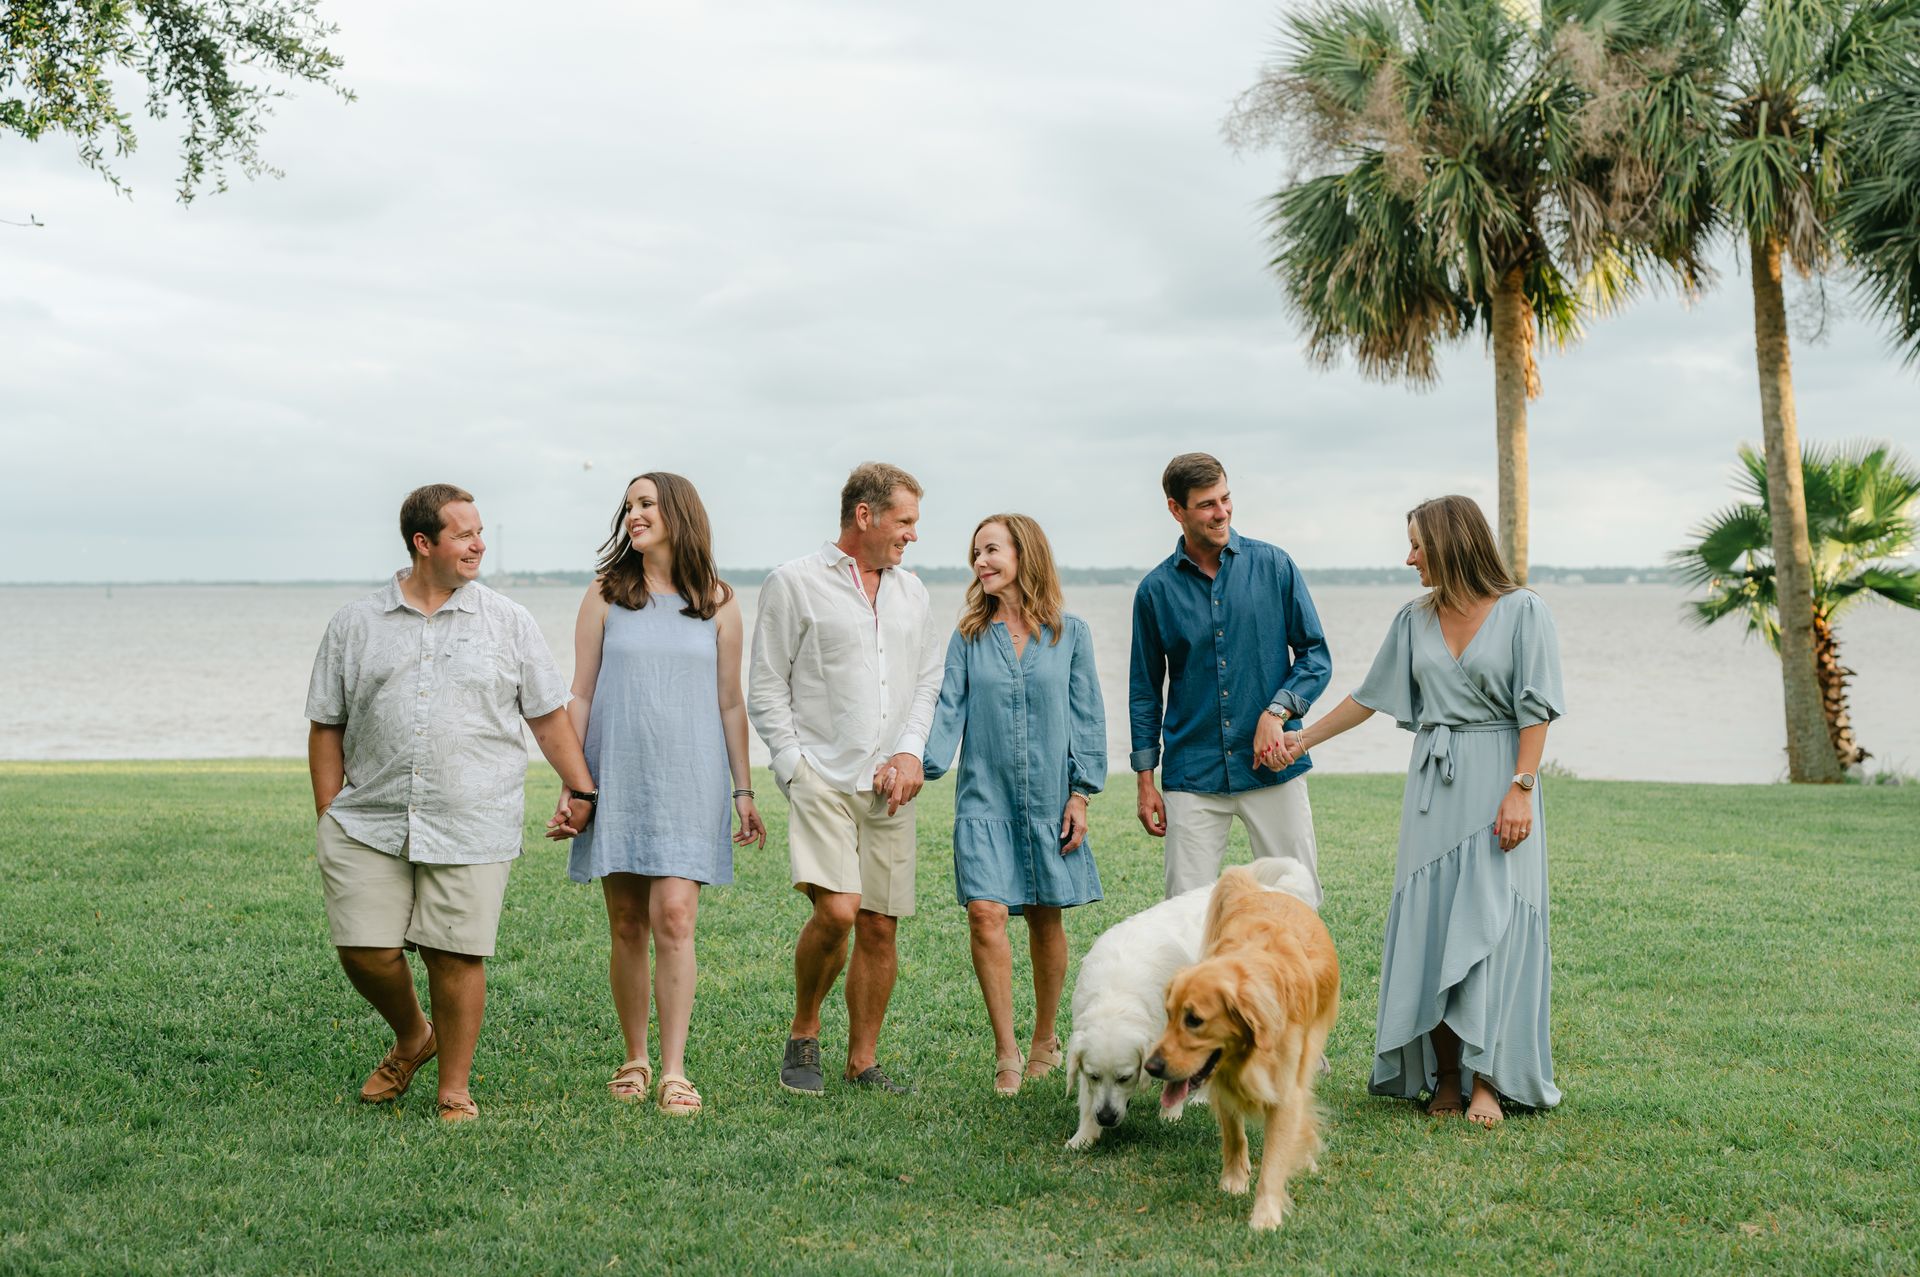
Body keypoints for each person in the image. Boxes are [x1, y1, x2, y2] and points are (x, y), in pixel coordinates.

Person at [305, 483, 597, 1123]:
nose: (479, 544)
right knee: (365, 950)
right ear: (423, 543)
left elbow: (547, 718)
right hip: (368, 819)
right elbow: (326, 725)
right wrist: (329, 813)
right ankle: (415, 1036)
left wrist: (580, 788)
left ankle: (453, 1088)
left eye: (480, 531)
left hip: (474, 815)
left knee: (455, 953)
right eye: (464, 534)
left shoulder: (509, 621)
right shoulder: (355, 625)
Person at [1269, 495, 1564, 1127]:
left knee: (1494, 926)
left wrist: (1522, 787)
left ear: (1451, 544)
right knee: (1431, 926)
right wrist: (1302, 737)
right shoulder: (1413, 619)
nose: (1408, 558)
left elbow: (1536, 710)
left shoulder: (1524, 612)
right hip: (1433, 792)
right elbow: (1367, 697)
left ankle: (1490, 1080)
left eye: (1416, 545)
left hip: (1499, 780)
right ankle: (1447, 1078)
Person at [557, 471, 767, 1117]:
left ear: (678, 511)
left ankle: (674, 1069)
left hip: (690, 778)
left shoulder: (719, 601)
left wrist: (743, 788)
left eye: (646, 504)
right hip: (615, 773)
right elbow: (581, 693)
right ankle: (635, 1057)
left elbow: (730, 702)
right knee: (625, 923)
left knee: (674, 917)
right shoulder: (603, 595)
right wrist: (574, 784)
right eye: (628, 507)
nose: (634, 515)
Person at [748, 462, 944, 1097]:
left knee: (880, 924)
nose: (913, 534)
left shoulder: (913, 593)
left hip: (892, 785)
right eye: (905, 520)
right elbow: (767, 685)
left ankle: (863, 1061)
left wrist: (912, 753)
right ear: (867, 515)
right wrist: (793, 767)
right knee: (837, 911)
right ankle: (805, 1028)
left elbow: (927, 683)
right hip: (822, 778)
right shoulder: (793, 583)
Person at [922, 514, 1106, 1097]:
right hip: (985, 796)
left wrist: (1082, 792)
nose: (981, 562)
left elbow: (1088, 716)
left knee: (1046, 913)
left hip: (1050, 798)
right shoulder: (968, 637)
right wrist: (911, 765)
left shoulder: (1070, 634)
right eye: (976, 553)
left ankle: (1044, 1039)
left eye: (991, 550)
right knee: (985, 912)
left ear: (1024, 554)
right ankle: (1005, 1050)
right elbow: (947, 710)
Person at [1129, 452, 1331, 901]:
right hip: (1193, 772)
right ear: (1175, 510)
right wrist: (1146, 780)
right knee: (1185, 911)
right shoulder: (1155, 591)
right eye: (1206, 504)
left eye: (1225, 498)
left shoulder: (1275, 566)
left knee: (1297, 900)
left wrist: (1277, 711)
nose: (1221, 512)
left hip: (1274, 765)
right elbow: (1145, 691)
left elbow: (1315, 656)